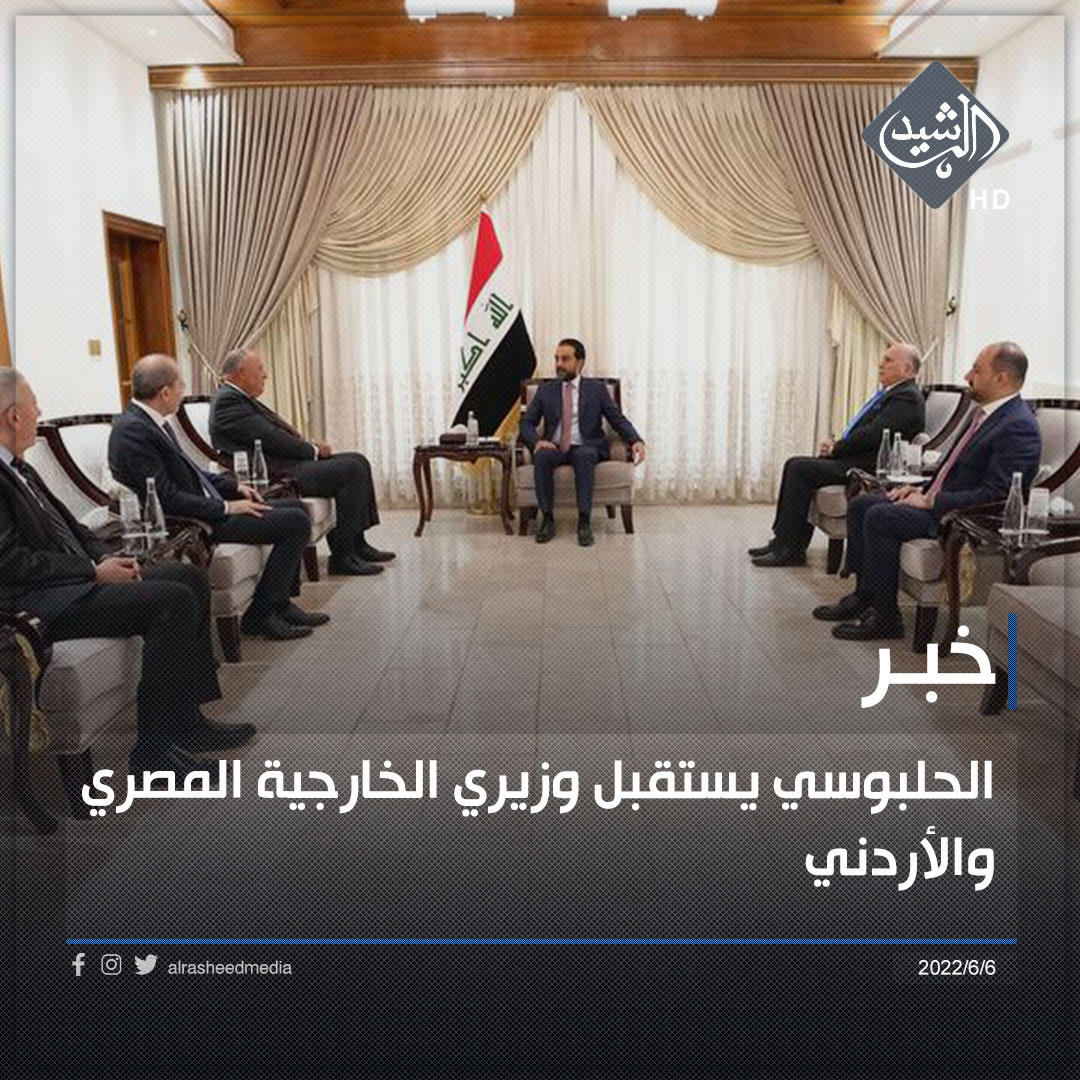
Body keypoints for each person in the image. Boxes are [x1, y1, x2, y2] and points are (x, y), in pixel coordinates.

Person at [0, 369, 254, 778]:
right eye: (34, 405)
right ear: (14, 416)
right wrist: (91, 572)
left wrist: (107, 558)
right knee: (171, 602)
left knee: (187, 577)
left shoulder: (19, 468)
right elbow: (9, 563)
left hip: (69, 584)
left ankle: (187, 723)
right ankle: (153, 754)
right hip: (37, 605)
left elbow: (72, 529)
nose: (39, 411)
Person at [813, 342, 1041, 640]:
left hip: (960, 518)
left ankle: (886, 619)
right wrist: (919, 487)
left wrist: (932, 500)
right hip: (941, 501)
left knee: (880, 517)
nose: (967, 375)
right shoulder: (984, 415)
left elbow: (999, 496)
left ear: (1001, 379)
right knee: (861, 504)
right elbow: (954, 470)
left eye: (976, 370)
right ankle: (864, 595)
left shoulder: (1017, 426)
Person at [108, 355, 328, 642]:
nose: (183, 391)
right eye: (180, 385)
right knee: (294, 521)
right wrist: (226, 507)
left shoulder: (151, 422)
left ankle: (280, 604)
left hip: (204, 505)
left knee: (296, 507)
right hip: (191, 519)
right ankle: (261, 614)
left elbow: (191, 471)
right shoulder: (133, 431)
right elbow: (165, 498)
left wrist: (234, 487)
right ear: (165, 392)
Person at [209, 348, 393, 576]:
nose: (265, 375)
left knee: (358, 460)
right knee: (351, 469)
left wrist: (311, 446)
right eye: (260, 369)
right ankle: (343, 557)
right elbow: (272, 438)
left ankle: (358, 544)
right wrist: (313, 451)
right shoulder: (228, 402)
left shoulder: (237, 397)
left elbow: (274, 436)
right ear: (240, 373)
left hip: (281, 463)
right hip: (274, 472)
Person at [750, 343, 925, 567]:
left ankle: (790, 548)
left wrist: (837, 448)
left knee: (799, 468)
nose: (881, 364)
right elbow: (865, 431)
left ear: (908, 369)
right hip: (858, 457)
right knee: (795, 464)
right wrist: (836, 445)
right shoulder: (894, 394)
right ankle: (783, 542)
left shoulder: (907, 397)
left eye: (889, 360)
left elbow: (874, 434)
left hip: (869, 465)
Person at [519, 338, 645, 547]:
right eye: (557, 359)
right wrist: (537, 442)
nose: (559, 364)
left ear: (580, 362)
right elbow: (526, 423)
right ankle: (547, 519)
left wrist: (636, 440)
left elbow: (617, 419)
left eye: (565, 359)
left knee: (584, 455)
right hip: (555, 446)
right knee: (541, 455)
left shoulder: (597, 390)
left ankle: (584, 521)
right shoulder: (546, 390)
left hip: (587, 446)